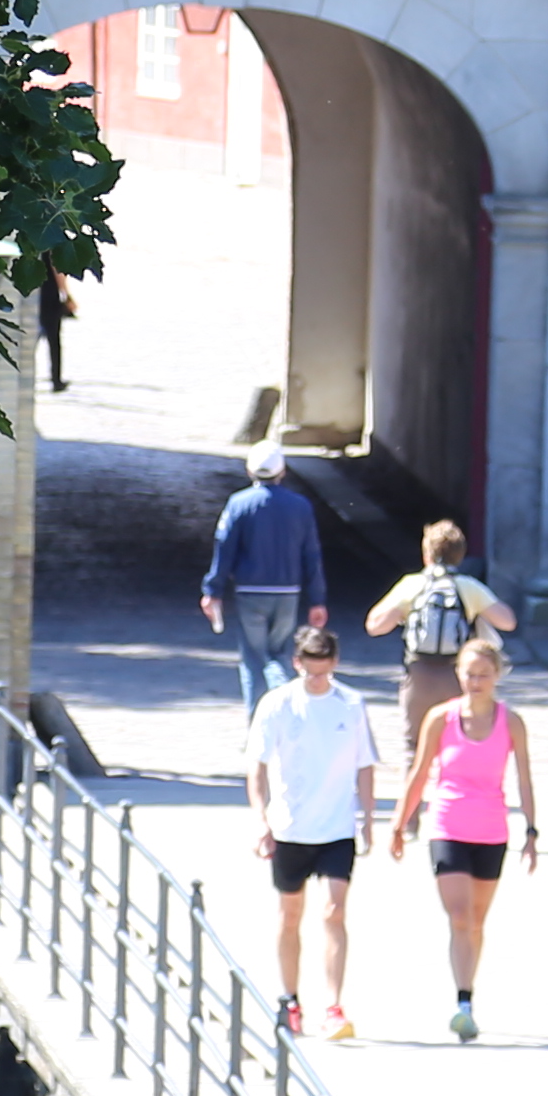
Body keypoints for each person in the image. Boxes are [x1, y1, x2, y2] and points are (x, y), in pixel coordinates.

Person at [383, 635, 545, 1041]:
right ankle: (463, 1003)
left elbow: (524, 778)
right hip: (448, 825)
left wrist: (531, 830)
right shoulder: (441, 718)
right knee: (458, 916)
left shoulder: (511, 722)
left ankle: (468, 996)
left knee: (476, 921)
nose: (475, 682)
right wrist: (399, 823)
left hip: (491, 830)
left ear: (497, 677)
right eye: (469, 674)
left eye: (484, 675)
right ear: (458, 674)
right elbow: (419, 773)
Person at [242, 611, 377, 1040]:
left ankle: (334, 1006)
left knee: (335, 911)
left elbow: (365, 764)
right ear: (298, 663)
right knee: (290, 915)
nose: (319, 680)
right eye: (311, 671)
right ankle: (290, 998)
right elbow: (257, 766)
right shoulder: (277, 704)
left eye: (326, 671)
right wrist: (260, 819)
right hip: (290, 826)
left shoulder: (351, 704)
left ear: (334, 663)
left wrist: (369, 819)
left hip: (337, 827)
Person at [196, 446, 323, 720]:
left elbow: (224, 549)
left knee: (255, 658)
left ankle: (259, 721)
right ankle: (288, 713)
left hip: (250, 591)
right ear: (283, 471)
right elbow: (311, 555)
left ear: (250, 470)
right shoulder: (300, 506)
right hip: (289, 592)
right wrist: (317, 599)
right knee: (281, 652)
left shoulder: (239, 503)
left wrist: (213, 590)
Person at [359, 517, 517, 736]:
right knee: (457, 740)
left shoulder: (412, 584)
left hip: (419, 675)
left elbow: (374, 626)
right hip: (457, 677)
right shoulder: (467, 586)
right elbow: (507, 622)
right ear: (460, 556)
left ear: (426, 556)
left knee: (414, 746)